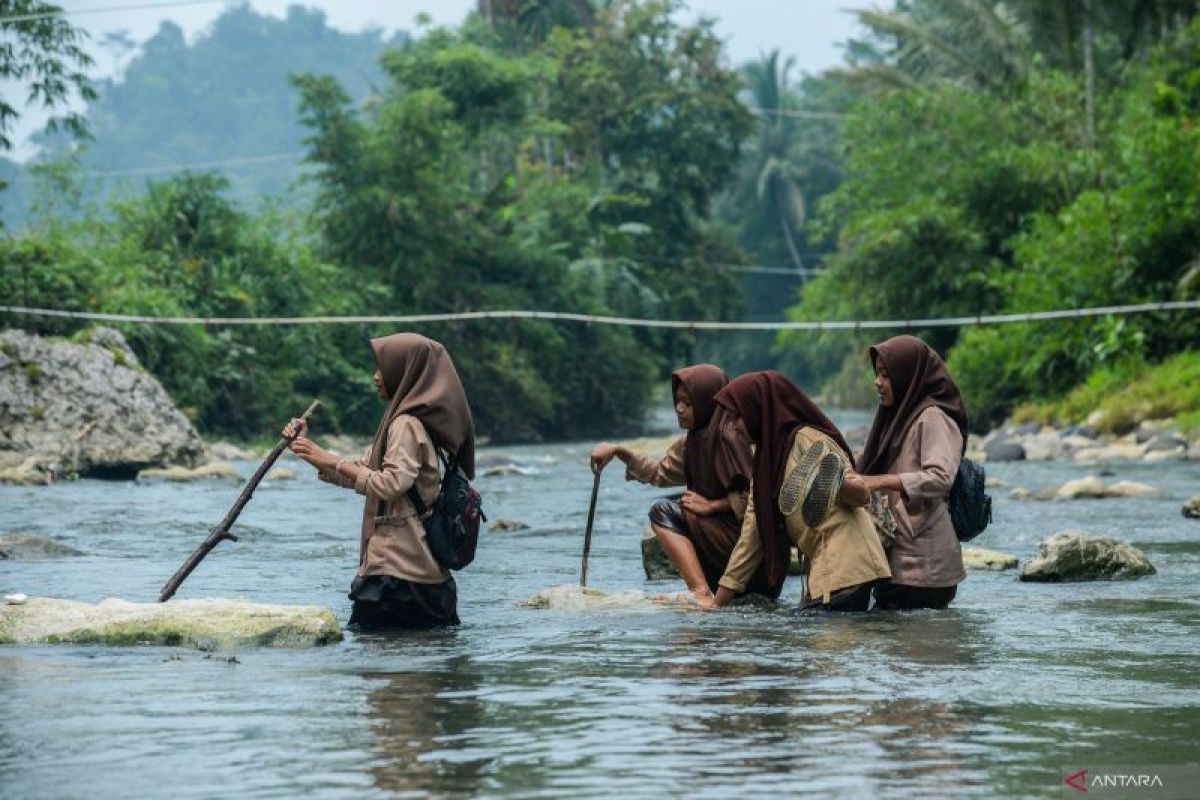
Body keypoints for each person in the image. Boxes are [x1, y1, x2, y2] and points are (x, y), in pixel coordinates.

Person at [284, 332, 476, 629]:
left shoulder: (404, 424)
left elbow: (390, 484)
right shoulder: (404, 421)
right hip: (415, 574)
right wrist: (310, 452)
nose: (375, 377)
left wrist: (330, 459)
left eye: (382, 369)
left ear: (405, 373)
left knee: (381, 665)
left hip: (398, 577)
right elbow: (366, 474)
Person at [700, 371, 892, 613]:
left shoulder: (806, 439)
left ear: (756, 410)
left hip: (846, 568)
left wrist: (836, 481)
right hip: (825, 574)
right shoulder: (765, 467)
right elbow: (751, 538)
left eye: (737, 417)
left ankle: (834, 479)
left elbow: (862, 496)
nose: (733, 427)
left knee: (825, 646)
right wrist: (717, 603)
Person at [589, 365, 767, 602]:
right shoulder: (691, 445)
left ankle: (700, 592)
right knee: (673, 506)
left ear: (707, 402)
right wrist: (618, 451)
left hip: (750, 555)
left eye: (688, 403)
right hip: (727, 548)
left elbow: (753, 501)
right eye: (678, 401)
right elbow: (659, 473)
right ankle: (704, 589)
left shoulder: (733, 437)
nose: (679, 409)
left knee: (664, 510)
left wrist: (712, 506)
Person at [857, 335, 967, 611]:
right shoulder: (895, 418)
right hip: (896, 562)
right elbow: (868, 462)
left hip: (924, 570)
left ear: (908, 376)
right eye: (876, 374)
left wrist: (876, 482)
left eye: (885, 375)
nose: (877, 382)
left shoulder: (933, 417)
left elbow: (940, 477)